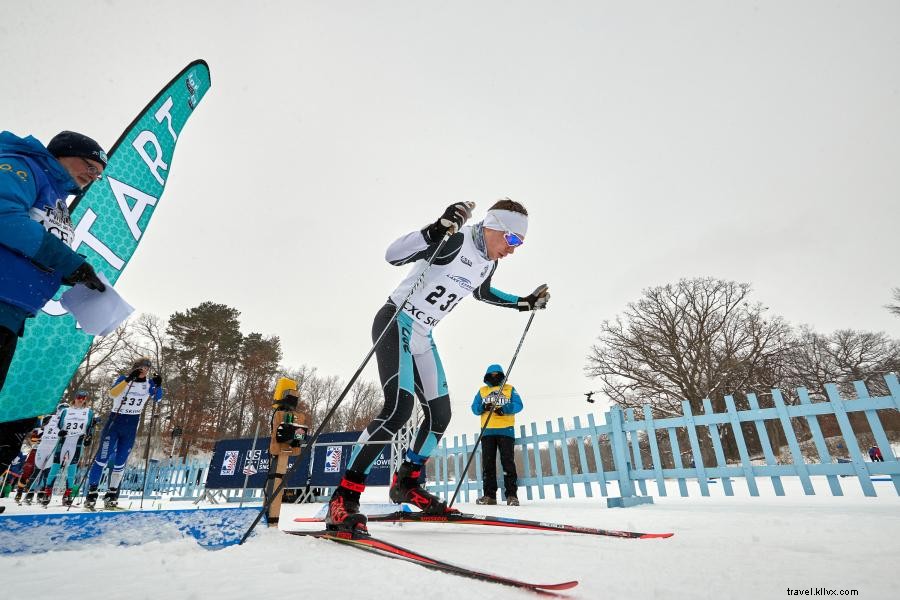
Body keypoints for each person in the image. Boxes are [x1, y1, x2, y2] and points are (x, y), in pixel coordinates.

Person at [325, 198, 550, 534]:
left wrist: (524, 303)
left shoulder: (488, 263)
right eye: (513, 240)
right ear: (494, 227)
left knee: (440, 415)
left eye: (520, 243)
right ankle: (344, 497)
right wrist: (433, 231)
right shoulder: (456, 240)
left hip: (423, 335)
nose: (513, 249)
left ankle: (407, 483)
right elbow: (393, 255)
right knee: (399, 409)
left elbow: (482, 293)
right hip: (396, 321)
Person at [0, 130, 108, 480]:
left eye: (99, 172)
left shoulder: (59, 200)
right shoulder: (23, 167)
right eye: (90, 165)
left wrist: (73, 274)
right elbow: (5, 218)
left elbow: (39, 249)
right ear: (63, 154)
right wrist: (64, 260)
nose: (93, 176)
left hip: (15, 312)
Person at [84, 357, 163, 509]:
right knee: (102, 458)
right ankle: (92, 492)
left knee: (120, 461)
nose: (144, 371)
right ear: (135, 368)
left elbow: (158, 399)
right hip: (115, 422)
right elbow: (112, 394)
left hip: (131, 425)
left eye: (147, 369)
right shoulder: (123, 379)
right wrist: (128, 380)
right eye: (141, 368)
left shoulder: (149, 384)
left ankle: (111, 493)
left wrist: (158, 385)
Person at [471, 364, 524, 506]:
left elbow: (519, 404)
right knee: (488, 464)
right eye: (491, 374)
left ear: (502, 375)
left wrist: (505, 409)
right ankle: (489, 496)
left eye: (497, 374)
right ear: (487, 376)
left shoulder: (509, 388)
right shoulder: (482, 391)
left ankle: (512, 495)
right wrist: (483, 407)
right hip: (487, 431)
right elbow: (474, 408)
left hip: (506, 430)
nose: (494, 377)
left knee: (508, 463)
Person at [42, 390, 94, 506]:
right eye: (79, 397)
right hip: (64, 441)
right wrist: (60, 432)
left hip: (77, 442)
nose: (81, 400)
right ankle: (47, 492)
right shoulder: (66, 411)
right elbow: (58, 424)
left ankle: (68, 494)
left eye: (84, 398)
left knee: (72, 469)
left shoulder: (88, 412)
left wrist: (89, 437)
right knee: (55, 467)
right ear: (75, 398)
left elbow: (90, 426)